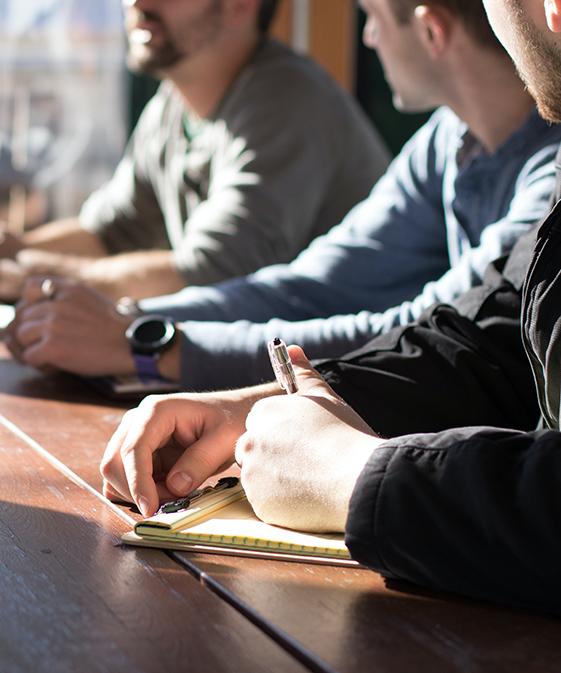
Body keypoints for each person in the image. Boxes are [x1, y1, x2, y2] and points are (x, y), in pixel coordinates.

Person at [100, 0, 561, 616]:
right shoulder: (449, 141)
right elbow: (485, 341)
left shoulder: (286, 98)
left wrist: (356, 473)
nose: (366, 37)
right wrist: (270, 404)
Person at [7, 0, 561, 388]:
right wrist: (132, 319)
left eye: (367, 15)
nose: (366, 37)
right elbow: (316, 283)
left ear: (433, 31)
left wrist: (148, 342)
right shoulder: (449, 138)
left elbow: (430, 334)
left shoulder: (549, 175)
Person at [0, 0, 388, 302]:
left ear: (240, 5)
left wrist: (30, 275)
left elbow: (211, 274)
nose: (136, 3)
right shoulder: (173, 103)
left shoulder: (287, 101)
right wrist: (14, 247)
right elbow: (112, 232)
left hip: (335, 381)